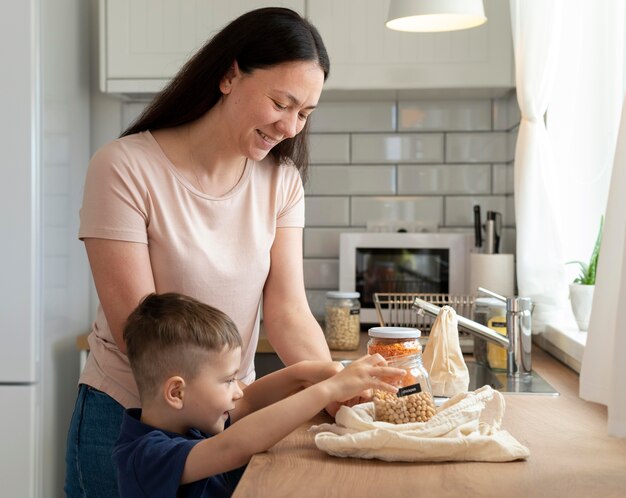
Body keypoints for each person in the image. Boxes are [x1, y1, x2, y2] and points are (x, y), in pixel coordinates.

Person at [65, 7, 337, 497]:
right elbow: (140, 333)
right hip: (130, 417)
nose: (291, 127)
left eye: (305, 113)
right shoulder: (124, 168)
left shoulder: (281, 182)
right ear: (230, 75)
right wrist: (240, 404)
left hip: (229, 409)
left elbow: (289, 309)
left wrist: (335, 387)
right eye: (281, 102)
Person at [113, 292, 402, 497]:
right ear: (176, 392)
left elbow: (250, 400)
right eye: (227, 380)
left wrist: (306, 373)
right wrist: (330, 389)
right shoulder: (145, 456)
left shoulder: (189, 420)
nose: (238, 391)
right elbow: (233, 447)